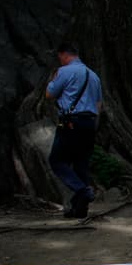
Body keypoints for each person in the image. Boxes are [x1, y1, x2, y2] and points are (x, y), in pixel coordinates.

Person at [46, 44, 103, 219]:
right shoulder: (93, 75)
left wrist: (54, 78)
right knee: (81, 163)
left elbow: (49, 94)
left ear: (63, 55)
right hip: (89, 122)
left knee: (57, 160)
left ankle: (82, 190)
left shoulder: (64, 72)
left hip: (71, 122)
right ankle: (80, 209)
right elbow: (99, 104)